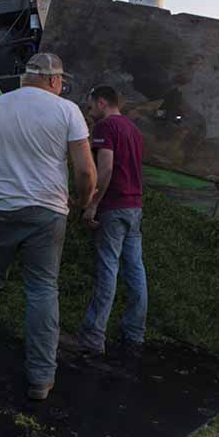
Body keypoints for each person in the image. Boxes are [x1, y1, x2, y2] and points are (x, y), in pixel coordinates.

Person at [0, 53, 97, 400]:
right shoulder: (67, 111)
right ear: (55, 81)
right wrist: (84, 200)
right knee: (42, 290)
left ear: (24, 78)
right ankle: (41, 379)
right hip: (48, 214)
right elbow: (86, 171)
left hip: (2, 210)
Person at [78, 85, 148, 359]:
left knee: (108, 269)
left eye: (91, 106)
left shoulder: (106, 128)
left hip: (114, 207)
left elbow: (105, 168)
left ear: (103, 102)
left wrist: (92, 203)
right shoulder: (134, 131)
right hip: (134, 207)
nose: (90, 111)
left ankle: (93, 337)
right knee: (135, 270)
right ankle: (135, 332)